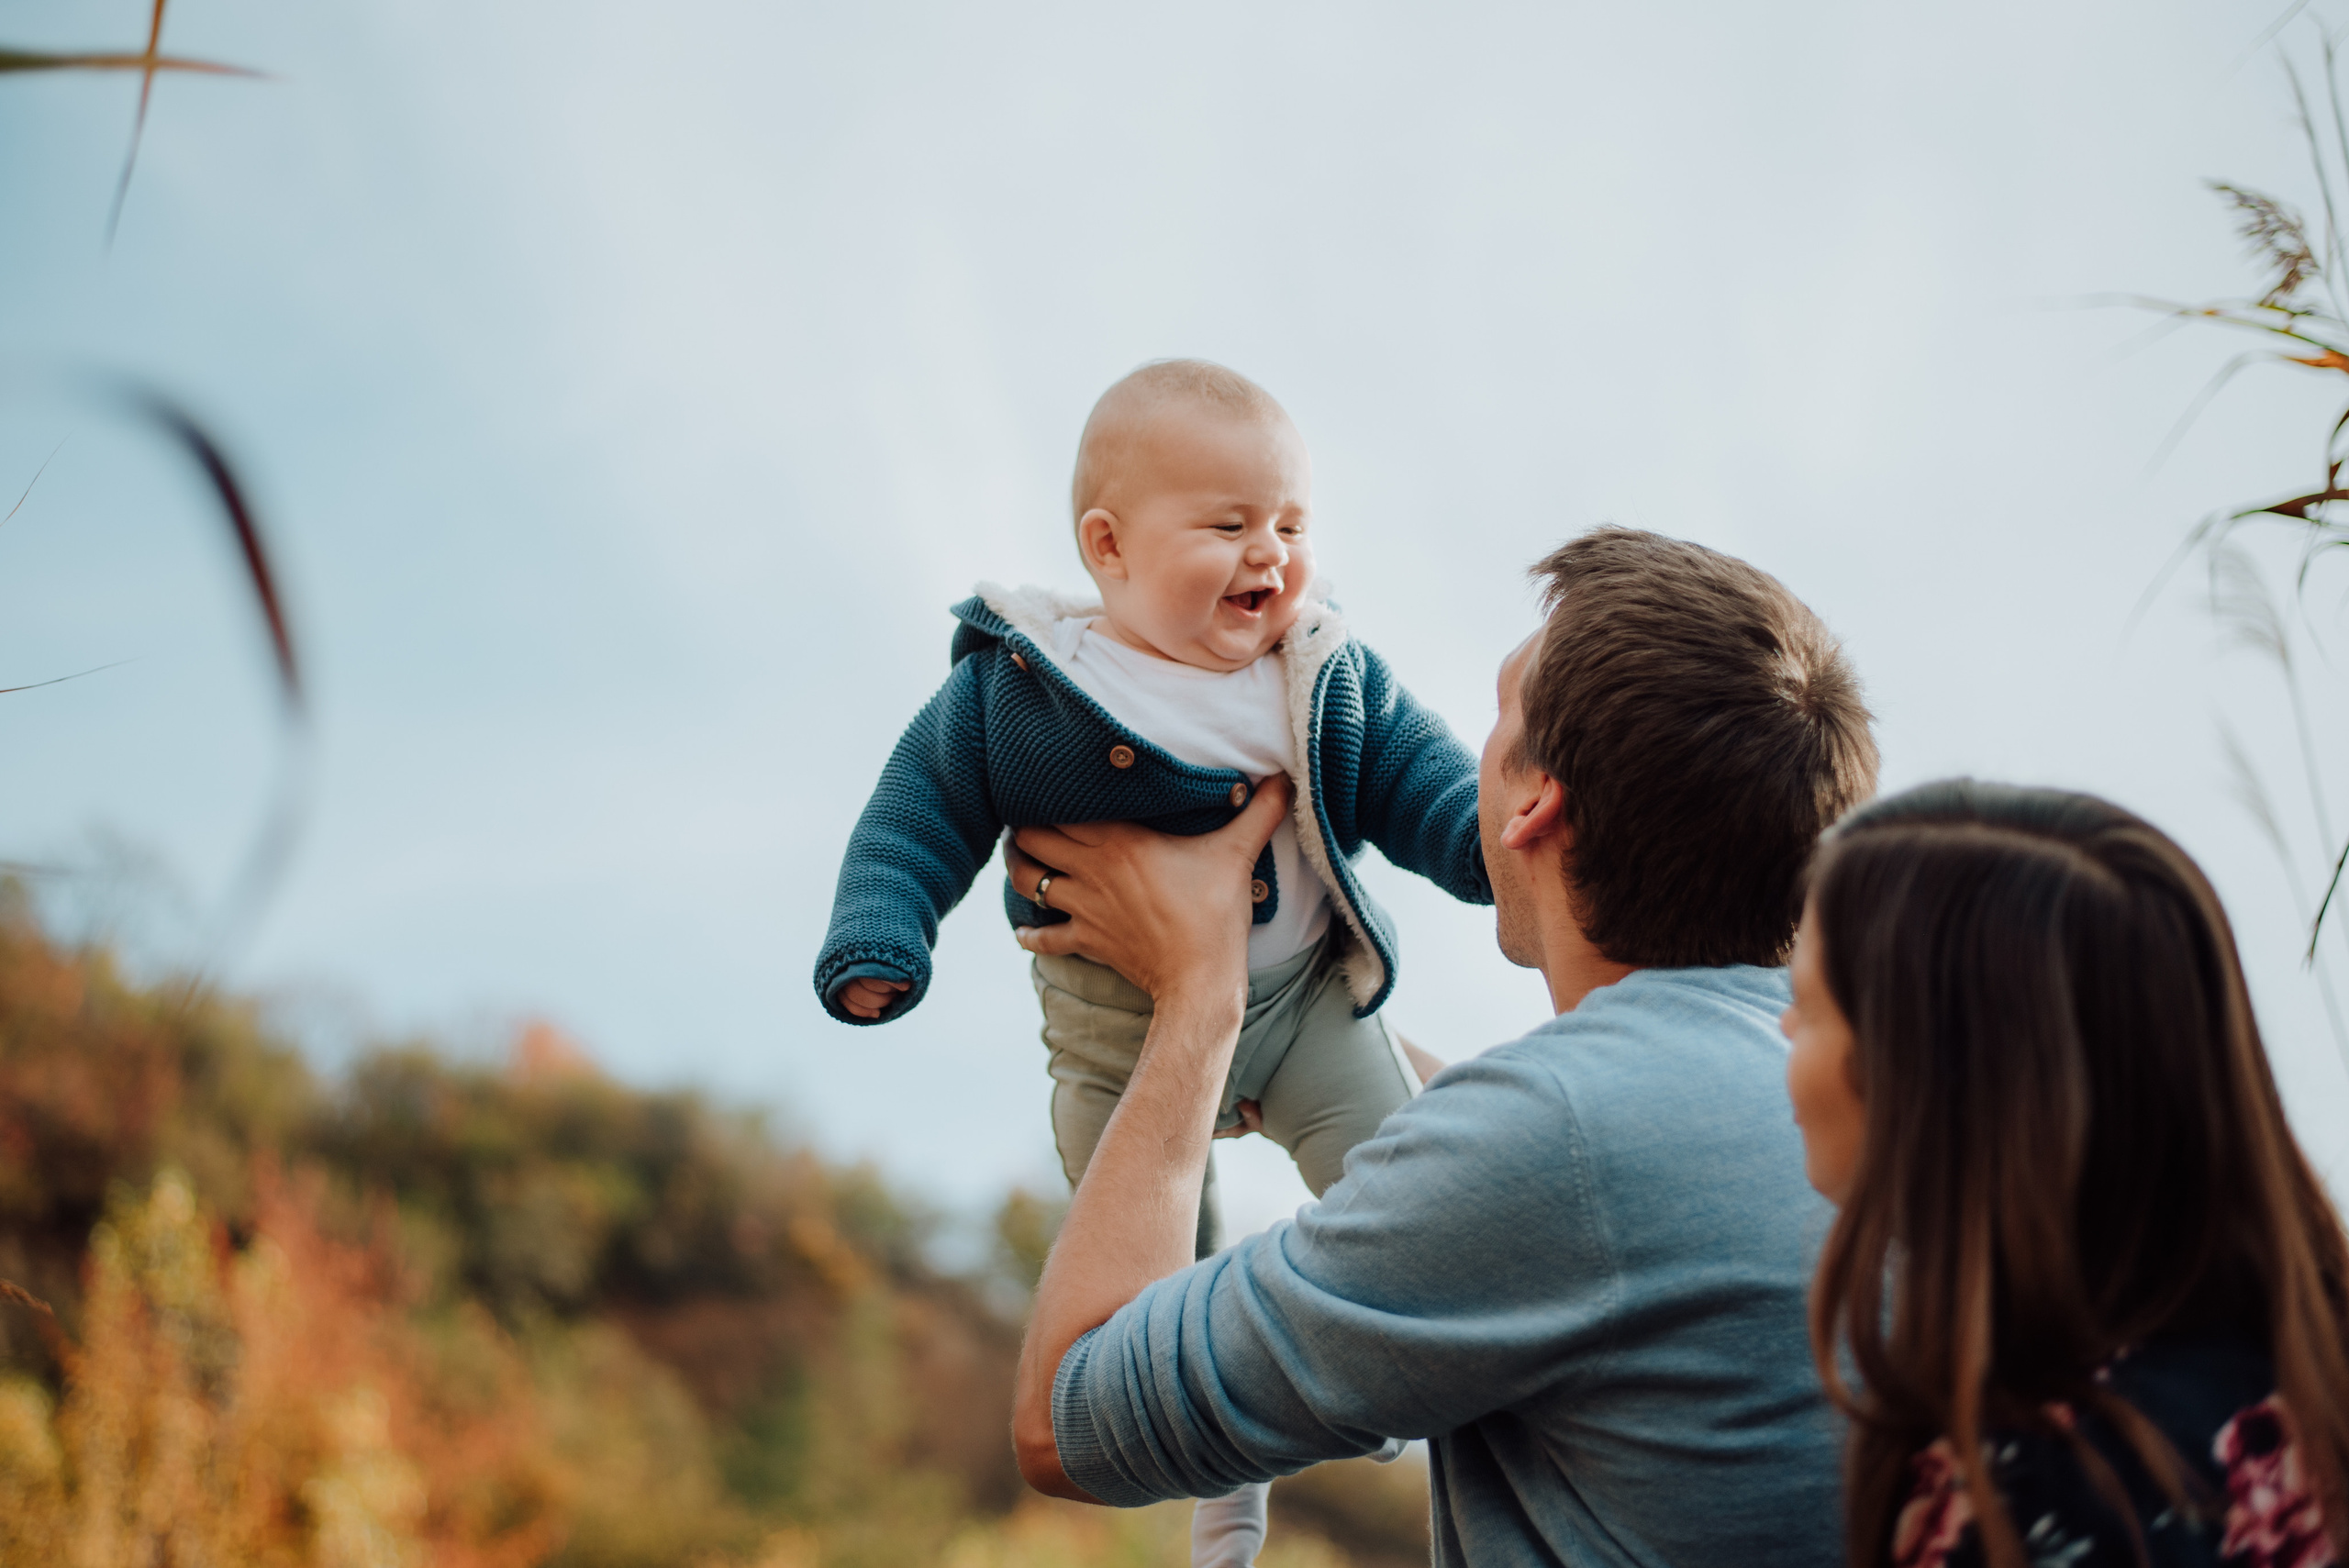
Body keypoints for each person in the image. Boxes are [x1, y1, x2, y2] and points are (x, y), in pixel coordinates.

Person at [1004, 528, 1878, 1566]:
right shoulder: (1871, 1090)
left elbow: (1067, 1418)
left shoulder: (1559, 1139)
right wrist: (1295, 1021)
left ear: (1533, 800)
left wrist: (1200, 998)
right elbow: (1567, 1176)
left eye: (1498, 719)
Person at [812, 359, 1492, 1565]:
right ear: (1109, 547)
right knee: (1158, 1287)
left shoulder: (1322, 673)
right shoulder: (1025, 687)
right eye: (1229, 525)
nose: (1270, 554)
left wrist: (1495, 851)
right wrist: (881, 935)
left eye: (1291, 525)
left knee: (1407, 1190)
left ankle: (1387, 1375)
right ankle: (1226, 1496)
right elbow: (917, 808)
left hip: (1308, 1006)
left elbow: (1425, 778)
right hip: (1115, 1045)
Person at [1781, 781, 2349, 1568]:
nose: (1781, 1029)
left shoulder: (2022, 1491)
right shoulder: (2296, 1378)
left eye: (1805, 1005)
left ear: (1931, 1075)